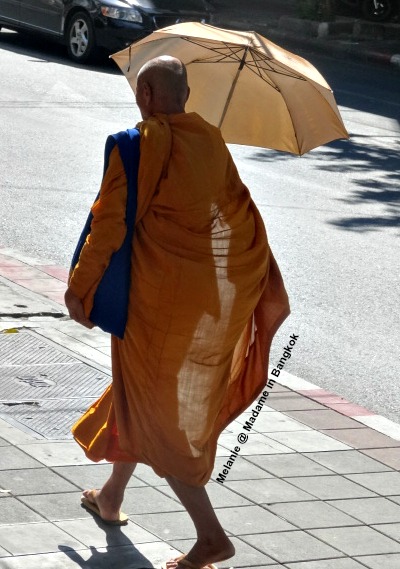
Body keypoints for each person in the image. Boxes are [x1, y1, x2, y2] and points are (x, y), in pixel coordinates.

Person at [65, 55, 290, 569]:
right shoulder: (209, 140)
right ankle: (112, 496)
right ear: (184, 97)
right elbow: (236, 216)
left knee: (159, 415)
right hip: (194, 303)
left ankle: (211, 537)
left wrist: (78, 290)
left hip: (152, 304)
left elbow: (109, 227)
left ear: (146, 94)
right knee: (140, 394)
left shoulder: (138, 144)